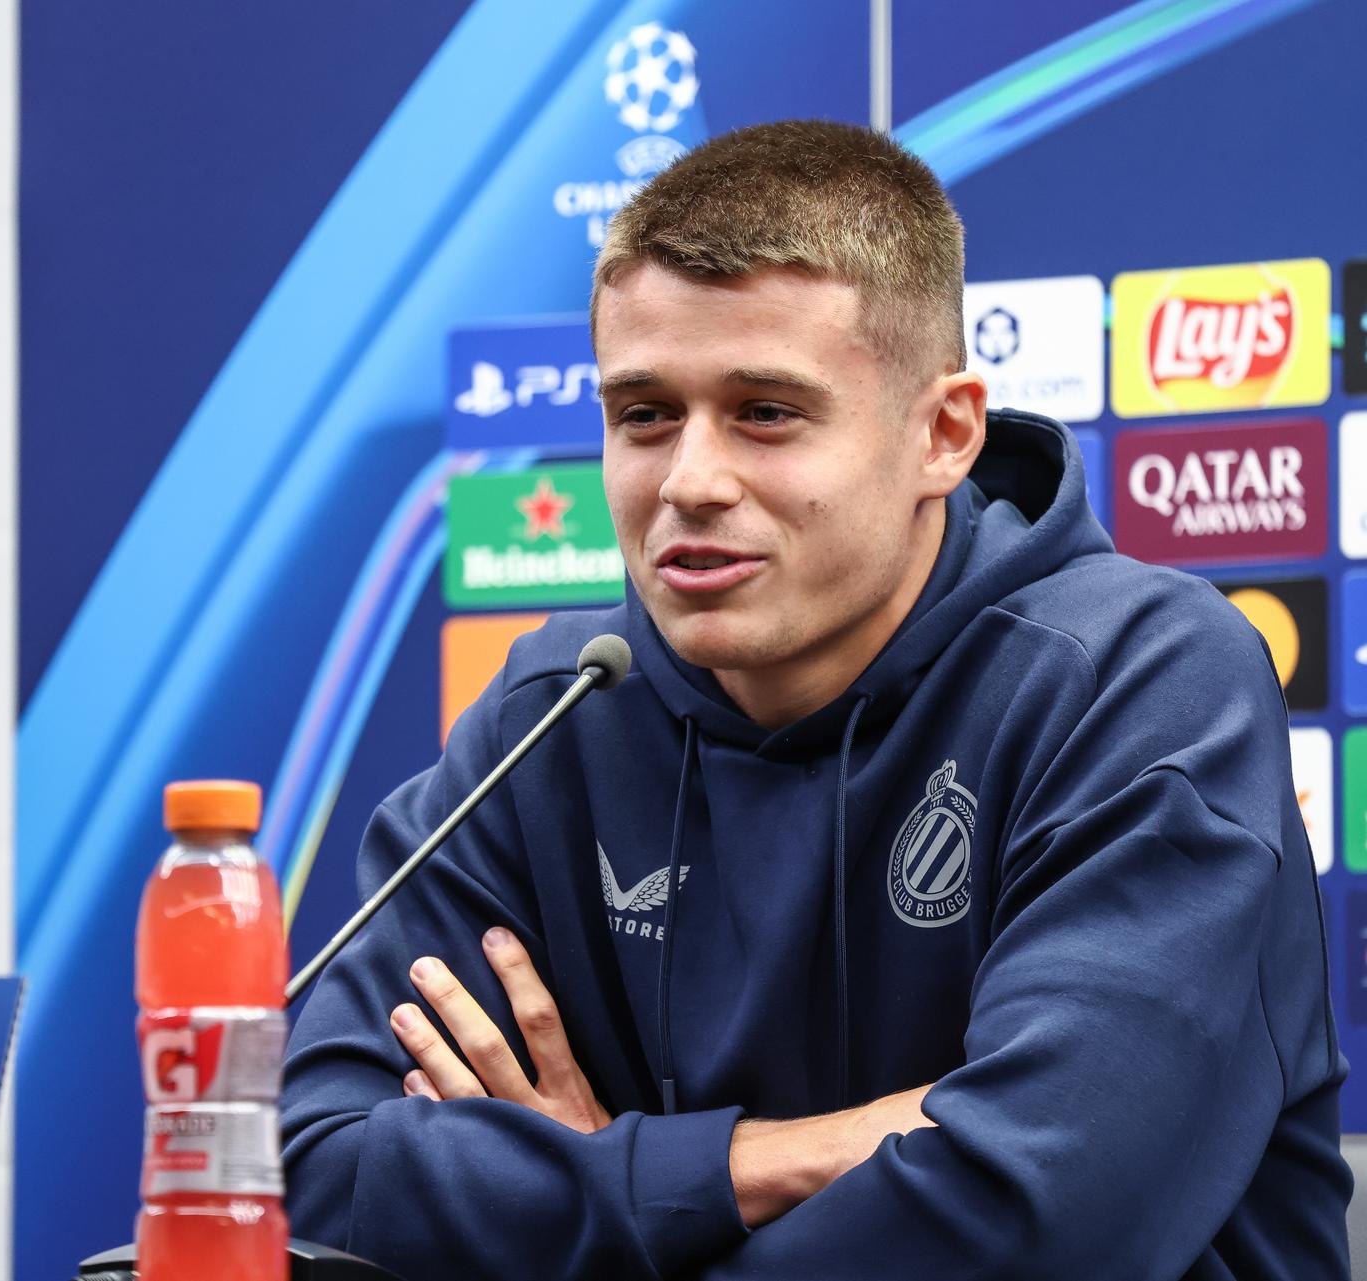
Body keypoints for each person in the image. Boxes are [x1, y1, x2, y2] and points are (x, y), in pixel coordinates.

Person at [278, 119, 1350, 1280]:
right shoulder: (555, 712)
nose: (689, 481)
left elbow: (1032, 1221)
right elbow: (314, 1177)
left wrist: (592, 1197)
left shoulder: (1135, 681)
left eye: (766, 413)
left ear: (944, 434)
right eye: (644, 415)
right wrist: (766, 1164)